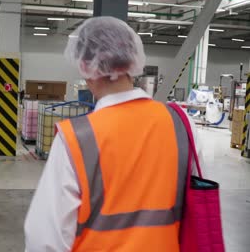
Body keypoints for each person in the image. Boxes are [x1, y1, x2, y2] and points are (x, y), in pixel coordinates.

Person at [24, 16, 203, 251]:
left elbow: (45, 240)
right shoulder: (181, 124)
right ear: (132, 61)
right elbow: (197, 209)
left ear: (85, 66)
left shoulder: (76, 139)